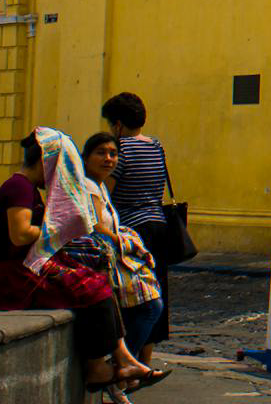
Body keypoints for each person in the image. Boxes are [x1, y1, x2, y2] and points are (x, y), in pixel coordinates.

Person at [0, 130, 164, 402]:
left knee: (97, 283)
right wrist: (57, 228)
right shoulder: (19, 187)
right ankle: (98, 367)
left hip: (23, 268)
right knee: (90, 289)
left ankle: (120, 358)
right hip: (13, 276)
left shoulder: (26, 187)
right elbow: (19, 233)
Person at [64, 133, 165, 361]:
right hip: (99, 261)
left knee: (148, 306)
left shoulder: (99, 186)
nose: (108, 159)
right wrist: (126, 242)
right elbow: (97, 227)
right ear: (85, 158)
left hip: (109, 257)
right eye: (101, 153)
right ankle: (120, 365)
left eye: (113, 154)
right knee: (151, 307)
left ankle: (123, 365)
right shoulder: (89, 186)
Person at [103, 92, 174, 349]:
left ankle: (128, 359)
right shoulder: (156, 146)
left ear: (118, 124)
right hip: (159, 224)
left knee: (133, 296)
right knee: (154, 289)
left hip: (132, 229)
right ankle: (146, 362)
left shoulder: (119, 150)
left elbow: (106, 193)